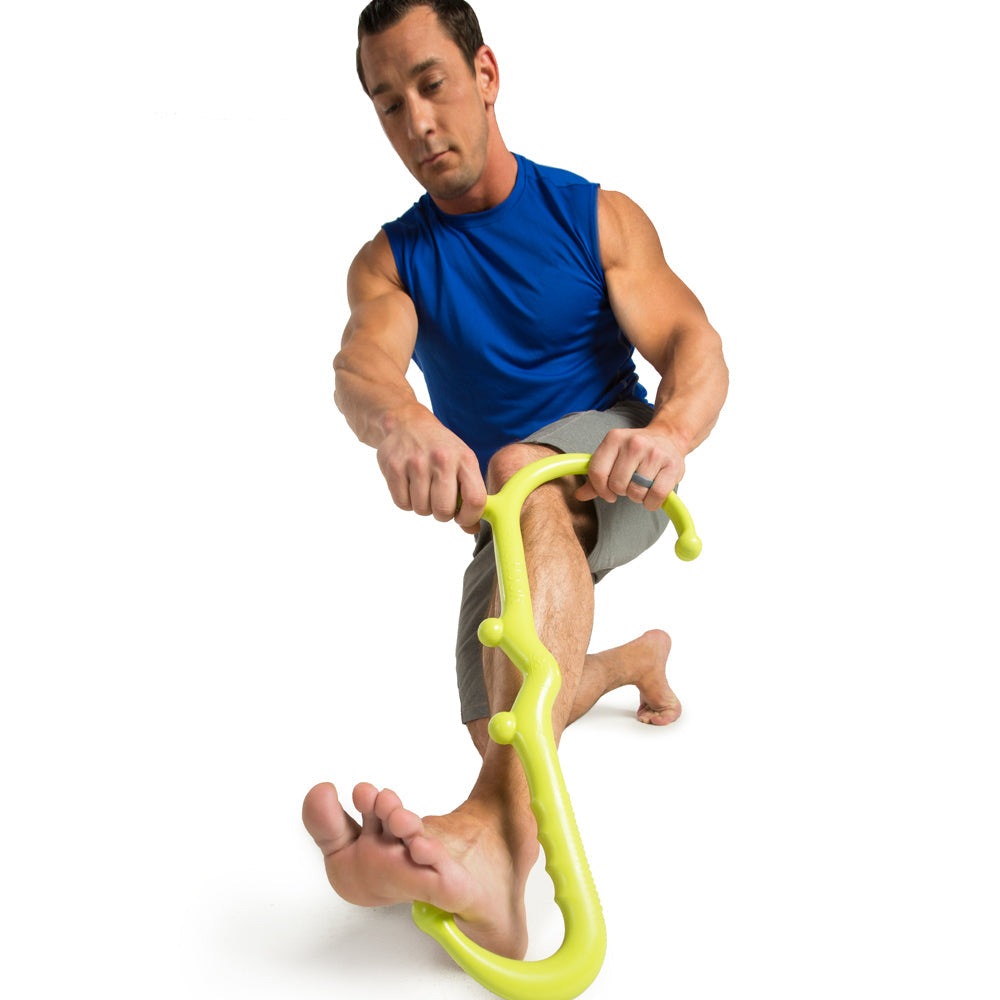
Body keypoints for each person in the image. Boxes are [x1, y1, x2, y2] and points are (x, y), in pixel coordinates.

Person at [303, 0, 729, 961]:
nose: (417, 122)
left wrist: (670, 434)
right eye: (388, 103)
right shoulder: (390, 262)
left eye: (431, 84)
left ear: (486, 75)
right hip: (511, 518)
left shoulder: (593, 216)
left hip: (613, 470)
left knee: (517, 470)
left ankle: (497, 844)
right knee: (495, 714)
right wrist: (401, 421)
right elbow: (361, 368)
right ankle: (633, 662)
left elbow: (693, 341)